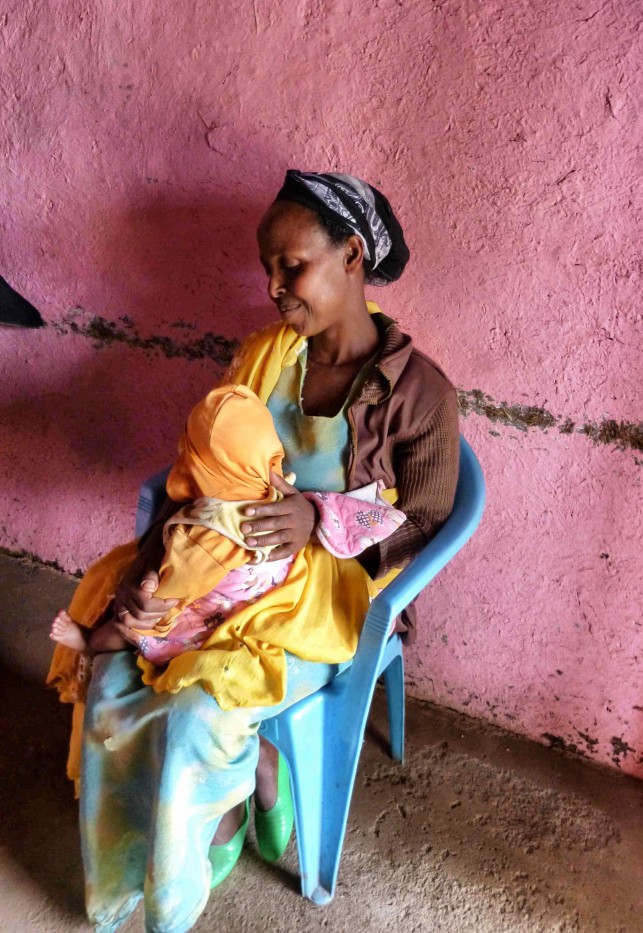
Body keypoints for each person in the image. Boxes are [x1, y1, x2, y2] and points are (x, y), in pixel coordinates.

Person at [47, 170, 460, 932]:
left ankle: (198, 860)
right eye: (267, 267)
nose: (272, 286)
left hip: (322, 604)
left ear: (353, 255)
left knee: (205, 707)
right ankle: (124, 874)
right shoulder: (268, 355)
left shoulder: (418, 393)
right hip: (218, 579)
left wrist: (321, 522)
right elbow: (201, 470)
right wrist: (150, 570)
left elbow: (431, 516)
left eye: (290, 264)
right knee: (113, 667)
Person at [49, 384, 405, 668]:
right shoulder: (283, 490)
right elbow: (379, 518)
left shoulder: (208, 530)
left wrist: (151, 599)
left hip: (218, 618)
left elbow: (178, 587)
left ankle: (89, 644)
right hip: (284, 605)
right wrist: (316, 513)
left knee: (124, 626)